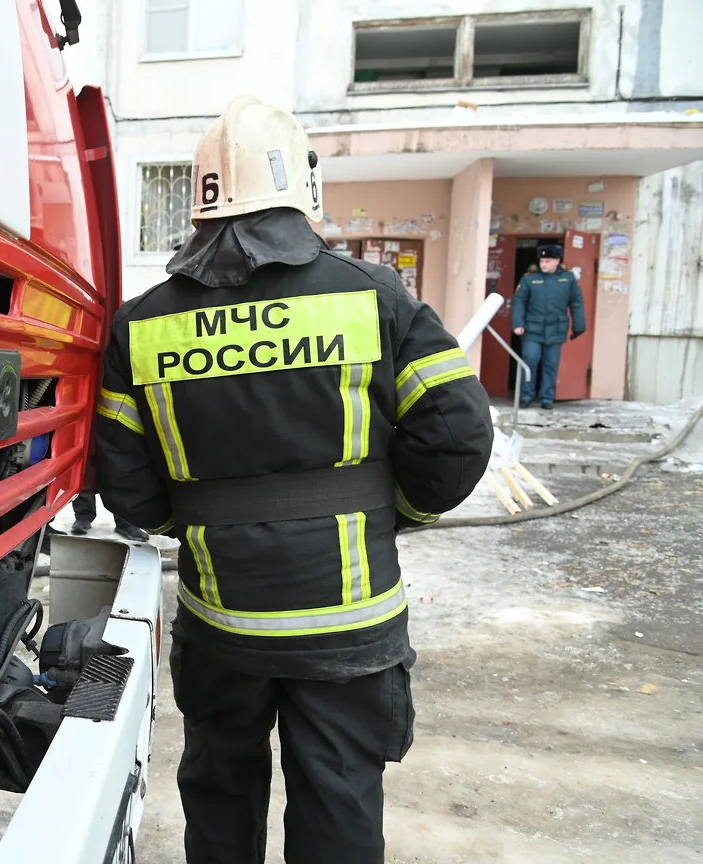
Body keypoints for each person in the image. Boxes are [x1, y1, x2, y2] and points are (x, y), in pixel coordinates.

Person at [92, 95, 493, 864]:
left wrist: (202, 523)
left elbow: (128, 483)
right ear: (302, 189)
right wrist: (391, 509)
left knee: (218, 784)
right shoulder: (373, 297)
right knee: (337, 795)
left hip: (220, 621)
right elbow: (456, 437)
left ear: (201, 194)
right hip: (349, 620)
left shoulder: (140, 324)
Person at [511, 244, 586, 409]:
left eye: (547, 261)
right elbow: (519, 302)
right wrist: (518, 323)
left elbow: (576, 303)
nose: (543, 264)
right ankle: (526, 395)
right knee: (530, 359)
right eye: (542, 261)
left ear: (557, 261)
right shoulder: (529, 280)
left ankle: (547, 398)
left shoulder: (568, 279)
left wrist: (579, 325)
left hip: (556, 329)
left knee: (550, 364)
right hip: (532, 329)